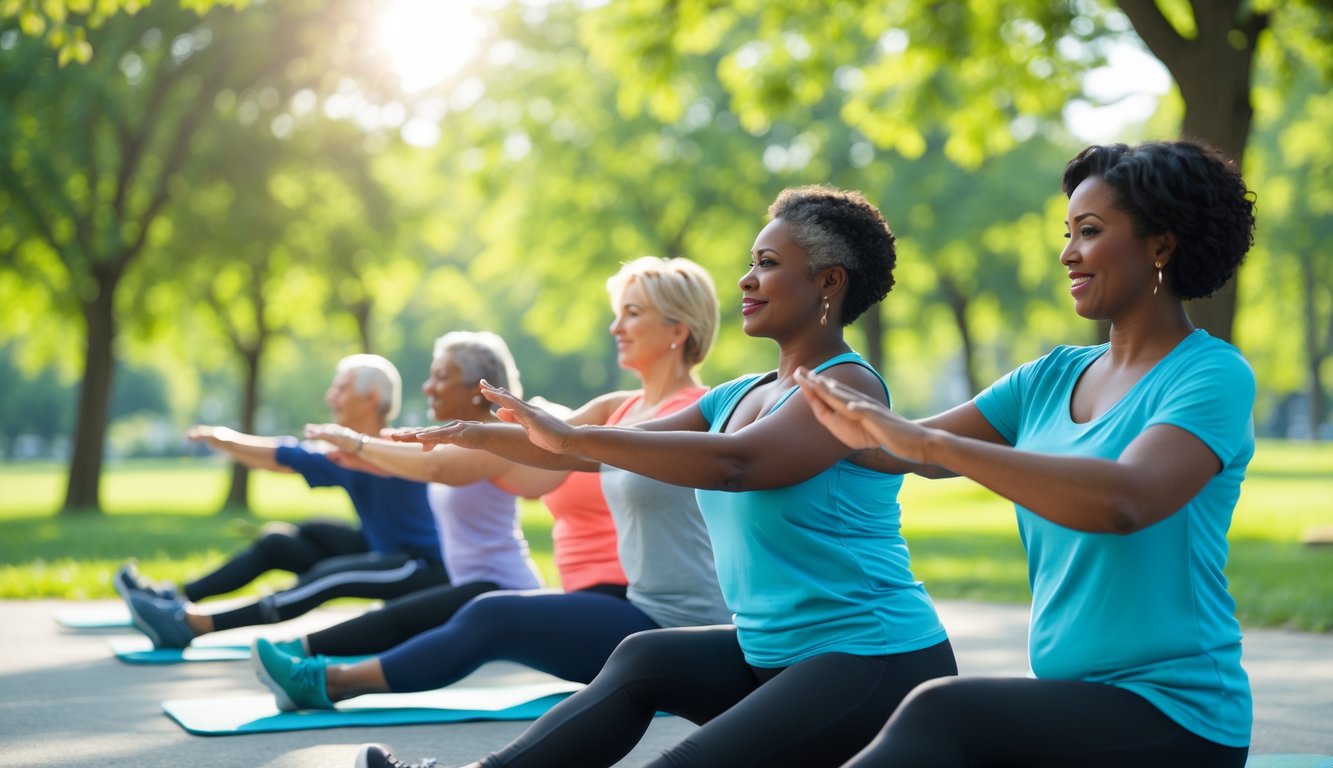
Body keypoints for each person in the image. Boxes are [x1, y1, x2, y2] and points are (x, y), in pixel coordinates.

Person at [360, 186, 956, 768]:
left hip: (872, 658)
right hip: (772, 654)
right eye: (750, 263)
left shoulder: (848, 385)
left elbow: (737, 465)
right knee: (642, 659)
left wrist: (571, 435)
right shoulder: (738, 393)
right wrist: (483, 434)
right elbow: (600, 453)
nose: (747, 280)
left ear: (830, 281)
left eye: (768, 265)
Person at [795, 139, 1256, 768]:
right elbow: (904, 451)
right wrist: (790, 429)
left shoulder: (1210, 375)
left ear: (1160, 246)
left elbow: (1127, 498)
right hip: (1073, 705)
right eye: (1066, 233)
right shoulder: (1050, 377)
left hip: (1179, 714)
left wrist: (924, 443)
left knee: (943, 712)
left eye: (1088, 232)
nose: (1067, 254)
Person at [251, 257, 731, 714]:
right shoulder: (616, 407)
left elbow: (557, 447)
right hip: (630, 608)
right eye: (617, 313)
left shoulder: (703, 412)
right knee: (486, 615)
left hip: (684, 628)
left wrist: (383, 443)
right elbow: (538, 448)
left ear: (677, 329)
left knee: (490, 616)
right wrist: (459, 434)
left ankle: (325, 681)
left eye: (632, 313)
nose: (615, 328)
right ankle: (321, 673)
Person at [115, 354, 450, 649]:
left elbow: (286, 456)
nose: (330, 396)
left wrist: (224, 438)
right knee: (280, 541)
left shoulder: (398, 444)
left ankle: (192, 624)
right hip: (381, 550)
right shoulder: (347, 450)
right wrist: (225, 443)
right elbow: (286, 458)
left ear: (371, 397)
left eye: (341, 389)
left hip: (423, 566)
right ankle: (173, 597)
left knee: (327, 576)